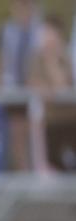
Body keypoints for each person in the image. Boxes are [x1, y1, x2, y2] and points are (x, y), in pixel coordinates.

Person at [0, 0, 42, 171]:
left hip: (36, 91)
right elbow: (1, 59)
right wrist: (1, 78)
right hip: (14, 89)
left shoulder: (40, 31)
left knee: (36, 132)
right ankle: (23, 172)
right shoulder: (7, 31)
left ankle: (37, 171)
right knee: (17, 133)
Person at [27, 15, 76, 171]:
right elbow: (33, 83)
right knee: (52, 161)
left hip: (69, 117)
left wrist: (53, 60)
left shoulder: (65, 57)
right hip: (49, 119)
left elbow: (63, 83)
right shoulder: (36, 58)